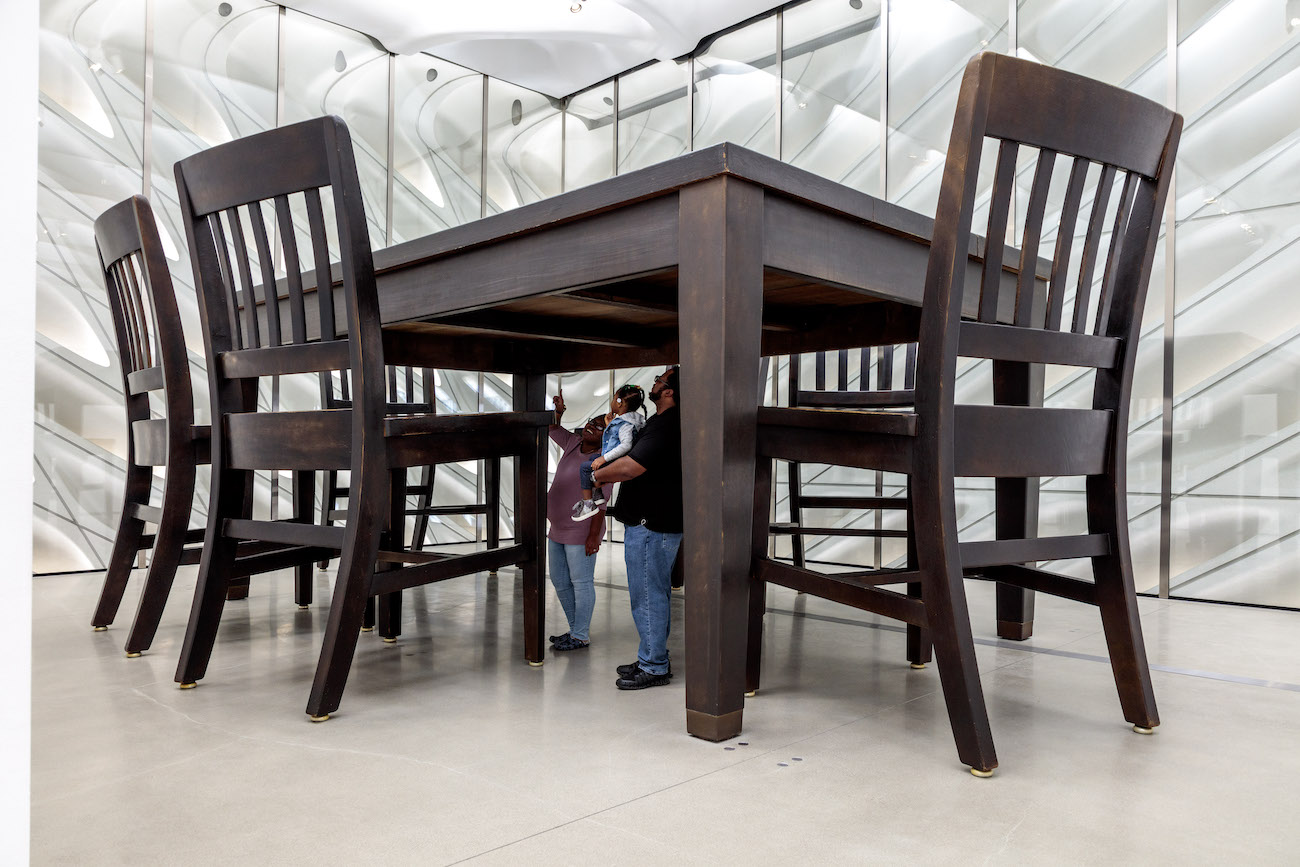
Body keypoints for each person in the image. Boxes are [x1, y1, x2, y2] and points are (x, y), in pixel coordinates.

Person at [591, 365, 682, 690]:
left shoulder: (667, 424)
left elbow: (631, 467)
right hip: (651, 522)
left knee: (646, 595)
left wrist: (595, 475)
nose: (654, 383)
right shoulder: (660, 423)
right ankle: (652, 656)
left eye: (660, 380)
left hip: (651, 524)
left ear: (669, 391)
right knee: (652, 593)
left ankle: (654, 666)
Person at [545, 392, 607, 651]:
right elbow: (551, 428)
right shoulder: (573, 442)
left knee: (581, 583)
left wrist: (593, 535)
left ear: (607, 436)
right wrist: (559, 411)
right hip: (557, 527)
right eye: (593, 420)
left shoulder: (603, 460)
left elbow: (600, 502)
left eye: (600, 426)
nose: (592, 425)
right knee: (559, 580)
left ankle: (580, 635)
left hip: (581, 529)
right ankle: (575, 631)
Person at [572, 384, 645, 522]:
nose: (612, 402)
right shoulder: (631, 420)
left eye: (614, 399)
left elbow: (625, 445)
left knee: (585, 468)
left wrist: (603, 459)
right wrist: (609, 425)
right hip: (615, 458)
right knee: (593, 457)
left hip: (616, 461)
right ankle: (598, 495)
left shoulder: (625, 424)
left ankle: (588, 503)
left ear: (620, 402)